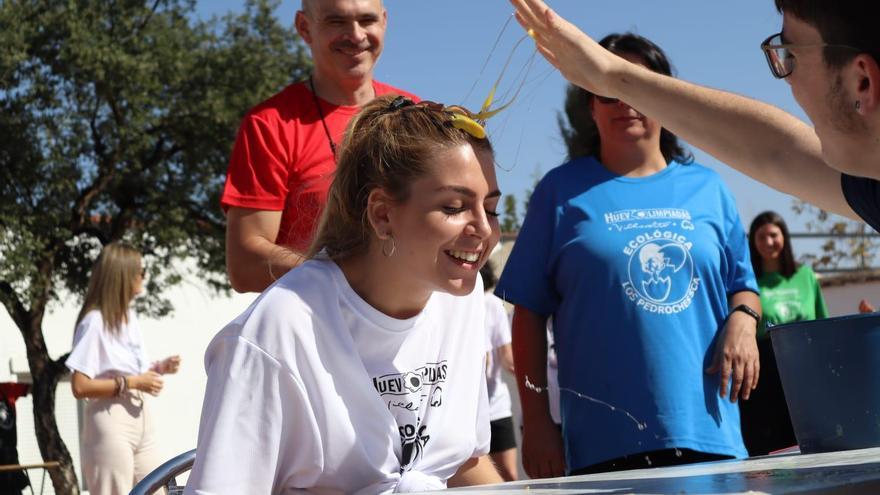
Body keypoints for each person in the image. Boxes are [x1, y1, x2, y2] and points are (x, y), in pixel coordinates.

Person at [185, 95, 504, 494]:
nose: (484, 229)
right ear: (382, 214)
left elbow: (462, 464)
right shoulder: (278, 331)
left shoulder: (462, 298)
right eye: (454, 206)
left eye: (491, 209)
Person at [494, 33, 761, 479]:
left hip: (711, 435)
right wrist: (537, 421)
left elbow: (744, 288)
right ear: (590, 105)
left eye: (639, 84)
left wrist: (745, 320)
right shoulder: (559, 193)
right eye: (609, 89)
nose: (626, 102)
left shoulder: (710, 189)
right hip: (603, 446)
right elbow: (528, 315)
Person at [508, 0, 880, 233]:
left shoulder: (705, 189)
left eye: (791, 57)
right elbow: (776, 152)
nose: (787, 79)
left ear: (862, 81)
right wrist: (612, 77)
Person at [223, 0, 419, 292]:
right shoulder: (270, 125)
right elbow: (245, 265)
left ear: (384, 21)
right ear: (304, 27)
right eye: (336, 22)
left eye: (367, 20)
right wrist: (347, 273)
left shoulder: (415, 115)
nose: (355, 35)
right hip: (314, 327)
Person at [65, 242, 181, 495]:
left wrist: (160, 367)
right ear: (123, 275)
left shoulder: (128, 319)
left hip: (140, 419)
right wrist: (133, 383)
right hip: (111, 419)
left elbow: (125, 369)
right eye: (140, 271)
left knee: (157, 489)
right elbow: (80, 385)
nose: (143, 277)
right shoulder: (94, 322)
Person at [740, 211, 828, 456]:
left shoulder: (805, 276)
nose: (768, 242)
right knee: (770, 443)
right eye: (761, 237)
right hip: (764, 370)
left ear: (784, 237)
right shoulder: (748, 282)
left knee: (808, 438)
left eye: (773, 235)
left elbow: (821, 322)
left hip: (804, 366)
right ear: (753, 242)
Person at [480, 260, 519, 482]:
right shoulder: (446, 302)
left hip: (495, 407)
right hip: (463, 412)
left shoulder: (491, 303)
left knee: (509, 476)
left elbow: (507, 357)